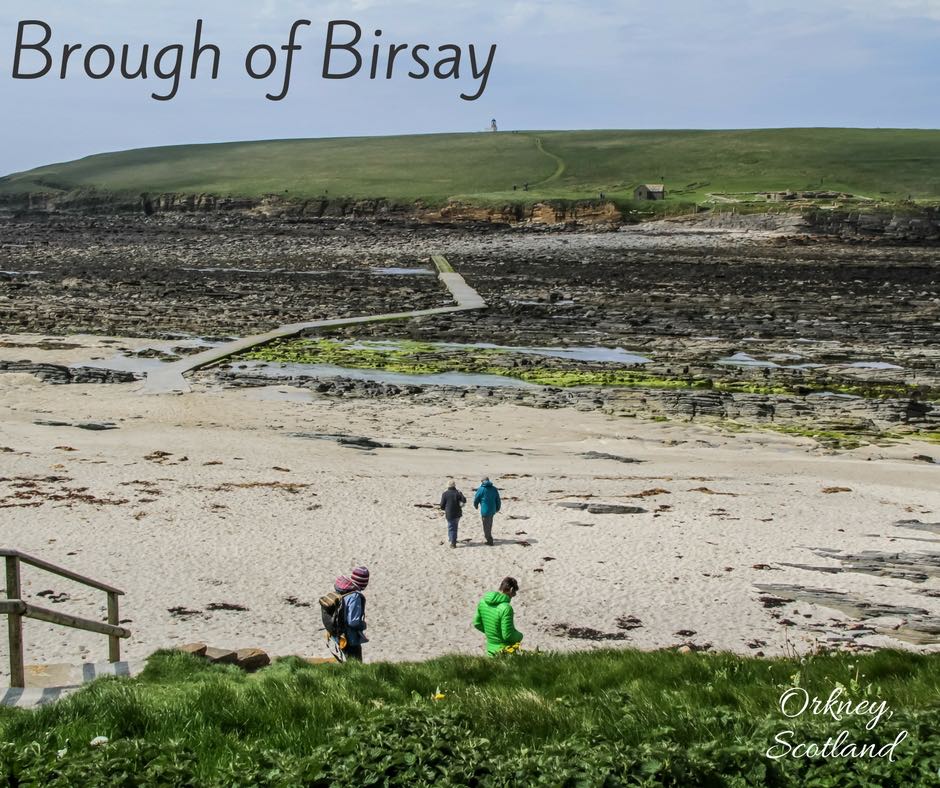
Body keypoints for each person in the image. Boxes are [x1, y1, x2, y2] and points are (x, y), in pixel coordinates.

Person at [473, 577, 523, 655]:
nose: (514, 595)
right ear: (511, 590)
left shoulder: (482, 602)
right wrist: (520, 636)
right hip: (504, 652)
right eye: (514, 592)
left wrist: (491, 634)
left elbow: (477, 623)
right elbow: (507, 635)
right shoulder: (506, 608)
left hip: (490, 650)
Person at [334, 565, 369, 661]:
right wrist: (363, 625)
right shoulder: (355, 597)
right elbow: (353, 621)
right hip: (350, 638)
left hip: (338, 635)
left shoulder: (343, 590)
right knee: (355, 663)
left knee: (344, 660)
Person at [473, 477, 501, 546]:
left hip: (485, 511)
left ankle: (489, 540)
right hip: (493, 510)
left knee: (486, 525)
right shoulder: (494, 489)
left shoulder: (481, 489)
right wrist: (498, 508)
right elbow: (498, 499)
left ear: (482, 482)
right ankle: (489, 537)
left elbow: (476, 498)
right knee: (489, 523)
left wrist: (476, 505)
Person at [440, 479, 467, 548]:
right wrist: (460, 493)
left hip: (449, 513)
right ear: (454, 485)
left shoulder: (445, 493)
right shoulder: (457, 492)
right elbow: (464, 500)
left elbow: (442, 506)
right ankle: (452, 539)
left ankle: (453, 542)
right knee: (453, 527)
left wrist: (445, 509)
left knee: (451, 527)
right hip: (457, 513)